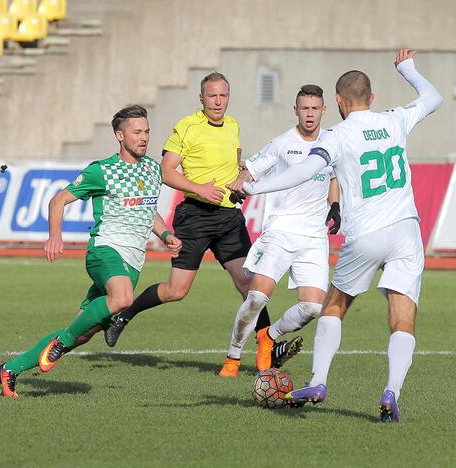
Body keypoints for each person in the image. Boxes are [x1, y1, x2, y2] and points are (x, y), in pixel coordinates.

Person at [235, 50, 443, 422]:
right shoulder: (394, 119)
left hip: (366, 232)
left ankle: (318, 381)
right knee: (403, 316)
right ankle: (392, 390)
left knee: (334, 305)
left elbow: (302, 171)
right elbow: (433, 98)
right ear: (372, 98)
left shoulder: (338, 135)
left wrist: (254, 188)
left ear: (339, 102)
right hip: (407, 230)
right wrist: (407, 69)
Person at [104, 72, 296, 376]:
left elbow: (236, 164)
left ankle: (267, 348)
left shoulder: (233, 126)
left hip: (228, 218)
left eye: (223, 96)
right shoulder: (186, 127)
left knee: (250, 285)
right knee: (176, 291)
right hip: (194, 215)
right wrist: (199, 188)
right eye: (212, 96)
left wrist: (241, 179)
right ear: (201, 98)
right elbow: (166, 172)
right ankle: (126, 313)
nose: (218, 102)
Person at [0, 105, 182, 397]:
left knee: (82, 333)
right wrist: (55, 236)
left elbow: (148, 209)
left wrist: (166, 233)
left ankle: (10, 369)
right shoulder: (102, 170)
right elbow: (58, 201)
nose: (144, 137)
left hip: (132, 262)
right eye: (137, 132)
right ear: (120, 136)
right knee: (122, 299)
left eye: (146, 131)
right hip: (105, 250)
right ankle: (61, 342)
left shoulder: (152, 170)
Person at [221, 85, 341, 377]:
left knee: (313, 307)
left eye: (315, 108)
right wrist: (241, 183)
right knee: (257, 298)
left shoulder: (333, 142)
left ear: (323, 110)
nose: (310, 114)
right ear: (296, 110)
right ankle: (233, 357)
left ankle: (268, 337)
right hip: (280, 230)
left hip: (314, 236)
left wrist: (334, 205)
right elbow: (251, 169)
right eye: (304, 108)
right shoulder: (282, 143)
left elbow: (335, 176)